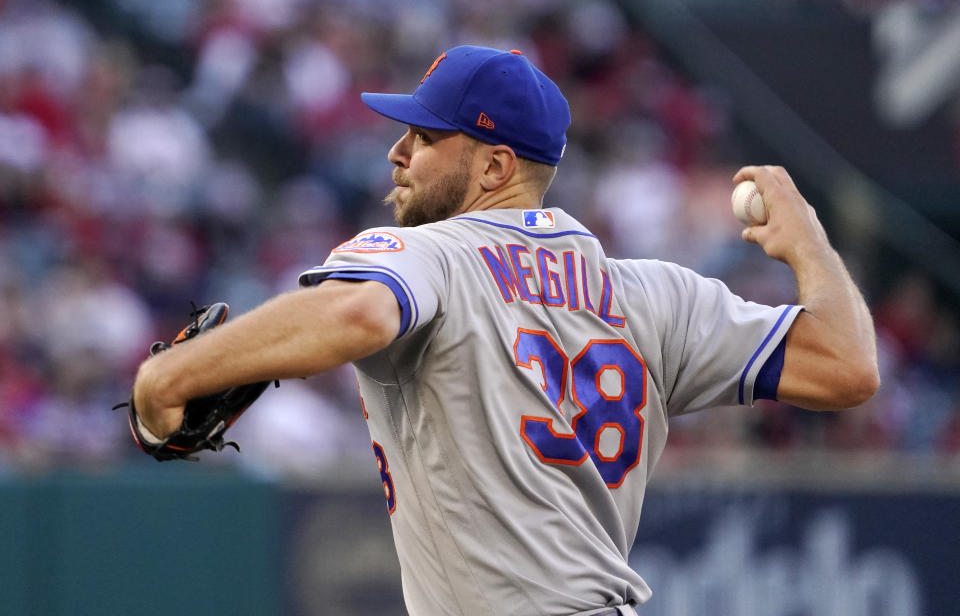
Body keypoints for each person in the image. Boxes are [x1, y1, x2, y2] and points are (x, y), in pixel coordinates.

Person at [132, 45, 879, 615]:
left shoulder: (429, 253)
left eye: (424, 136)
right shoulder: (653, 294)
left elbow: (358, 312)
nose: (397, 153)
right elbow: (847, 365)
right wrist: (808, 239)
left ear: (493, 166)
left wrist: (169, 375)